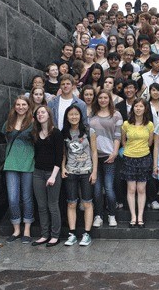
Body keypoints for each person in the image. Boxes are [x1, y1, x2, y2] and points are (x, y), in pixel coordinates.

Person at [61, 104, 98, 247]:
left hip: (86, 171)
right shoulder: (64, 132)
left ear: (80, 116)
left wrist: (94, 171)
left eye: (76, 114)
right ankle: (72, 234)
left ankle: (87, 233)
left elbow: (94, 152)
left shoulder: (89, 131)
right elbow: (64, 153)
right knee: (71, 203)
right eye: (71, 115)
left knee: (87, 202)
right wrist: (63, 167)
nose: (74, 117)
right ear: (67, 117)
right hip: (71, 172)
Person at [1, 96, 34, 243]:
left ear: (28, 106)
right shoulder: (9, 122)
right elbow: (5, 137)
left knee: (26, 197)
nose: (21, 107)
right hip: (11, 163)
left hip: (28, 163)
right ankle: (16, 230)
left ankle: (27, 229)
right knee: (13, 197)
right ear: (15, 107)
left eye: (24, 104)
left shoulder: (33, 123)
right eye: (18, 105)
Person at [31, 105, 64, 247]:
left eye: (43, 112)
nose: (40, 115)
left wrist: (53, 176)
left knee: (53, 205)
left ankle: (55, 235)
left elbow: (59, 156)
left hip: (52, 173)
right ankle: (44, 234)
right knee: (41, 206)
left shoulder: (56, 133)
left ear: (49, 115)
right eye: (38, 113)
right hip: (38, 173)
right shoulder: (35, 133)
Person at [90, 90, 122, 229]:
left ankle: (112, 215)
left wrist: (115, 152)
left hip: (110, 156)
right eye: (100, 98)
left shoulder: (116, 115)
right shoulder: (92, 115)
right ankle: (98, 215)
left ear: (110, 99)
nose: (103, 100)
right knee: (97, 190)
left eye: (105, 98)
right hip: (95, 156)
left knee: (109, 188)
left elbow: (118, 135)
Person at [121, 99, 154, 228]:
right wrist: (130, 149)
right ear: (132, 108)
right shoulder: (126, 124)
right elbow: (123, 141)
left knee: (141, 189)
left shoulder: (149, 125)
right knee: (131, 189)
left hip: (144, 157)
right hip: (129, 157)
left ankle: (140, 217)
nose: (138, 108)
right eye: (136, 106)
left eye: (141, 106)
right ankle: (133, 216)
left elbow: (150, 143)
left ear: (145, 109)